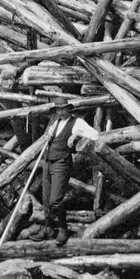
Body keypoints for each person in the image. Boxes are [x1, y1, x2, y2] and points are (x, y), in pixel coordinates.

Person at [30, 98, 98, 246]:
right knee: (46, 198)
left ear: (69, 109)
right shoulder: (55, 122)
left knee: (55, 200)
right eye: (57, 109)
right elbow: (50, 138)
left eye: (62, 109)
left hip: (62, 163)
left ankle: (63, 228)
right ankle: (48, 227)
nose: (60, 112)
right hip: (48, 162)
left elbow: (95, 135)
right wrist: (48, 136)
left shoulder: (77, 122)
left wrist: (77, 136)